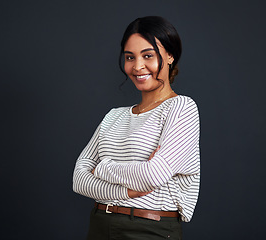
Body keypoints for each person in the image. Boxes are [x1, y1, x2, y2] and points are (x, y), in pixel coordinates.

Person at [73, 16, 200, 240]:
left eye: (148, 55)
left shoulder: (181, 108)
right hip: (100, 225)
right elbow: (79, 179)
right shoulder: (114, 115)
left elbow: (153, 175)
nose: (137, 66)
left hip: (149, 228)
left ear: (170, 56)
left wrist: (102, 168)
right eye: (130, 57)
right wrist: (128, 191)